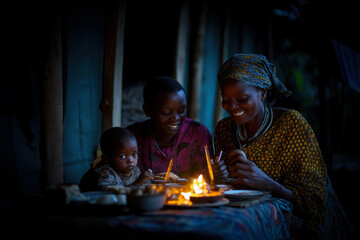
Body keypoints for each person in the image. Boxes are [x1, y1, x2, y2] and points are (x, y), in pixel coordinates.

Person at [214, 54, 353, 239]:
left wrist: (269, 184)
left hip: (308, 226)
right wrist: (218, 176)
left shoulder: (291, 125)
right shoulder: (224, 129)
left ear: (263, 93)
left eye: (242, 98)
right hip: (251, 216)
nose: (232, 106)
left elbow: (315, 202)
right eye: (226, 99)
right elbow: (230, 186)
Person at [127, 76, 224, 181]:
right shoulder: (133, 137)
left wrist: (217, 175)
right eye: (167, 112)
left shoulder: (198, 134)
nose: (176, 118)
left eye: (181, 111)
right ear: (147, 110)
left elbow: (207, 181)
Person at [79, 127, 153, 191]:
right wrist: (138, 183)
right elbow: (110, 195)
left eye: (134, 154)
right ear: (107, 158)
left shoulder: (135, 171)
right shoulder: (106, 174)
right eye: (122, 156)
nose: (131, 160)